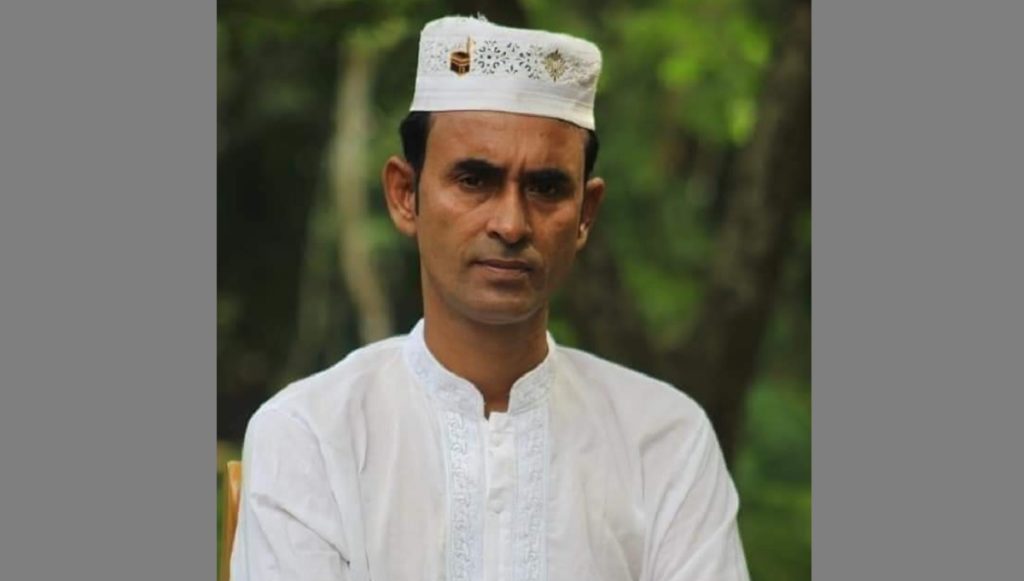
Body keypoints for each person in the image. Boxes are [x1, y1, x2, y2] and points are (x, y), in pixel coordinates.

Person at [231, 15, 751, 581]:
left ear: (585, 214)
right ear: (405, 195)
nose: (510, 223)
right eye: (474, 181)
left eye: (546, 188)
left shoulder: (665, 440)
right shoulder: (311, 434)